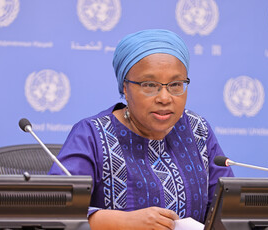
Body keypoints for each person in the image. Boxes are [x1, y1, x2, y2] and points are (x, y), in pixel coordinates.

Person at [49, 29, 234, 230]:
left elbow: (229, 209)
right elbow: (54, 208)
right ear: (125, 89)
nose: (164, 97)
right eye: (149, 85)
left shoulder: (198, 130)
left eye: (175, 84)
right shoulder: (91, 134)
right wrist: (123, 222)